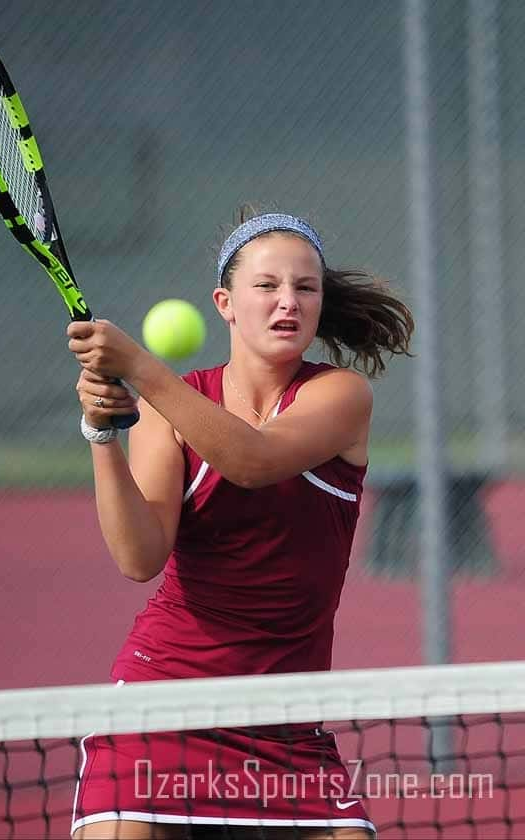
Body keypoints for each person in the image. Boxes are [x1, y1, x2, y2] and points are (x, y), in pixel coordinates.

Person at [67, 208, 414, 840]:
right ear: (225, 303)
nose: (289, 302)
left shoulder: (340, 396)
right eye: (268, 286)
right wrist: (101, 436)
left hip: (286, 717)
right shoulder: (165, 409)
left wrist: (141, 368)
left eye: (305, 288)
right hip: (164, 699)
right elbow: (139, 556)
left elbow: (251, 461)